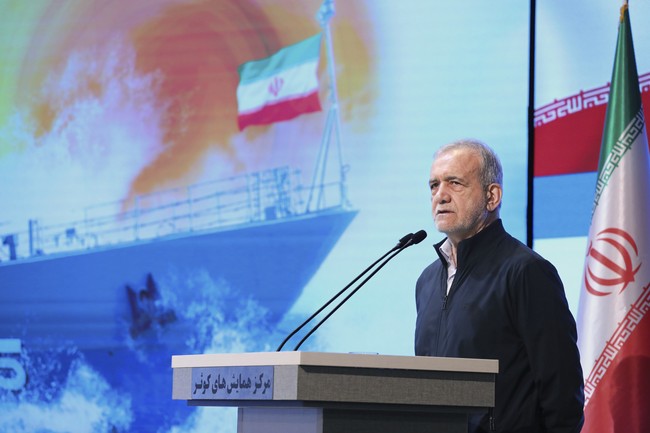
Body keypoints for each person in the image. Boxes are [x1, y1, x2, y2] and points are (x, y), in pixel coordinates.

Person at [414, 139, 584, 433]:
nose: (440, 196)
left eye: (455, 183)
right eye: (434, 185)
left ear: (491, 197)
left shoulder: (526, 271)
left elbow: (562, 390)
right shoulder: (427, 281)